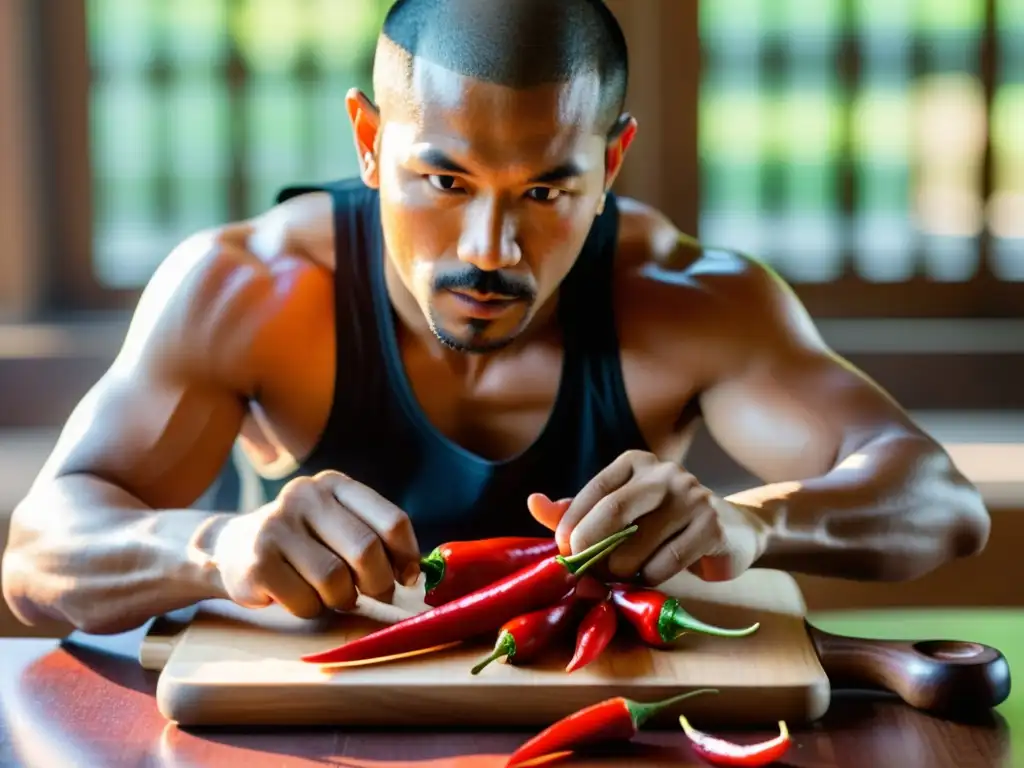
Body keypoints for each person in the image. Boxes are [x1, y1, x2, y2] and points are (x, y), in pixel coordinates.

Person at [2, 0, 989, 636]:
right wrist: (214, 547)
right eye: (443, 178)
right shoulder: (247, 288)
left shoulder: (693, 300)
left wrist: (752, 522)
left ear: (610, 164)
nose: (490, 249)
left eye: (546, 192)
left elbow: (941, 503)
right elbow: (37, 555)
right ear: (369, 140)